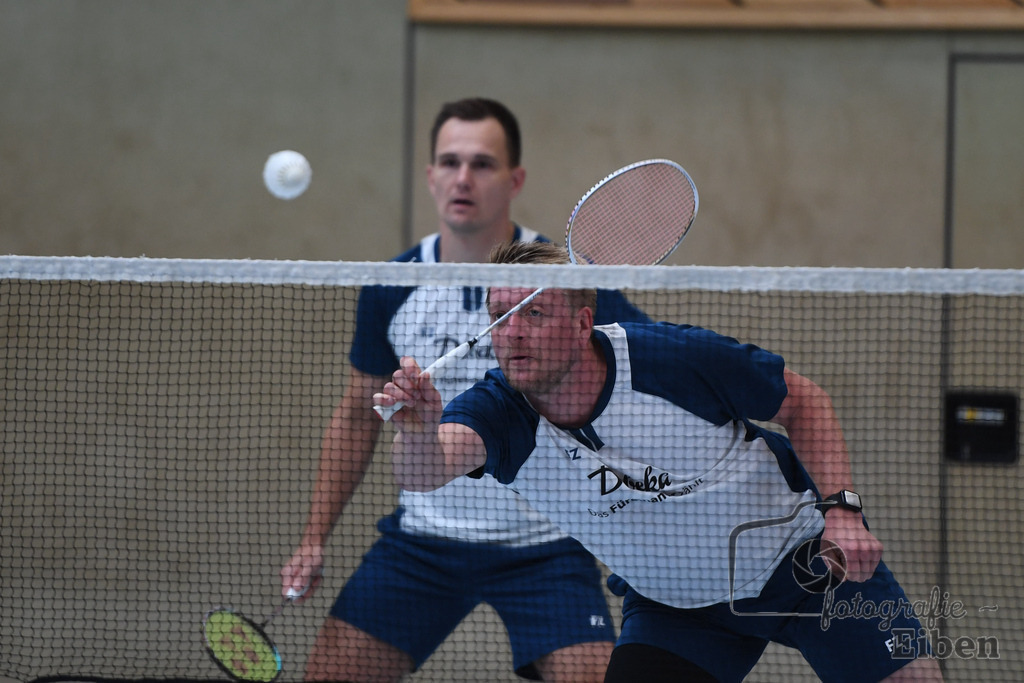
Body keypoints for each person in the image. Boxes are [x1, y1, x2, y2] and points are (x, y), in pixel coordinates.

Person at [376, 240, 945, 683]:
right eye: (500, 316)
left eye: (534, 314)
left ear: (580, 325)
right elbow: (424, 471)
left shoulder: (668, 360)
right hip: (677, 608)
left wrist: (843, 512)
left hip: (806, 566)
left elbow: (805, 403)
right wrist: (421, 430)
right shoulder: (500, 410)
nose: (513, 334)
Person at [280, 98, 649, 682]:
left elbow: (642, 378)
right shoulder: (394, 287)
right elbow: (356, 418)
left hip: (548, 545)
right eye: (449, 162)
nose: (463, 178)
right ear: (429, 177)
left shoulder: (565, 281)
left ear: (514, 179)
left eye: (482, 163)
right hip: (423, 544)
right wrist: (313, 539)